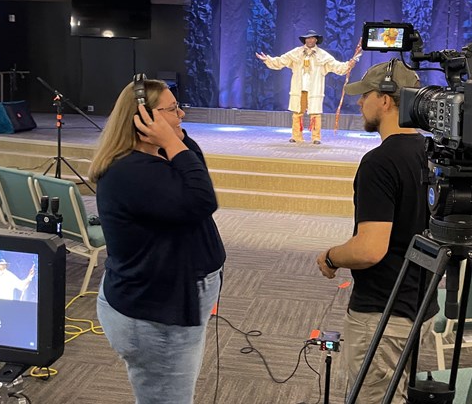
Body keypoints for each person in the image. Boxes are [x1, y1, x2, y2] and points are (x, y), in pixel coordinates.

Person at [88, 78, 226, 404]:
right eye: (172, 109)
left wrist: (173, 138)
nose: (181, 115)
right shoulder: (132, 172)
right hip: (157, 316)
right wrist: (172, 141)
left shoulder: (153, 159)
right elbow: (202, 199)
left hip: (168, 302)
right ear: (142, 119)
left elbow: (195, 171)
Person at [315, 60, 438, 403]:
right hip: (422, 307)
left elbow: (370, 249)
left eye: (365, 95)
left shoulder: (380, 162)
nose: (359, 103)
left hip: (382, 315)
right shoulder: (432, 153)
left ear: (385, 101)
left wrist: (330, 257)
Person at [256, 30, 361, 144]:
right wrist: (268, 59)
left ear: (316, 40)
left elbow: (337, 67)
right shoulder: (296, 52)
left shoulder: (322, 55)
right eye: (308, 38)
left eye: (312, 38)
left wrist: (349, 64)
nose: (310, 40)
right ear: (305, 40)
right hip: (299, 88)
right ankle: (296, 136)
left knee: (315, 113)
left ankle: (316, 137)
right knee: (297, 112)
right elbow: (281, 61)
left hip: (314, 89)